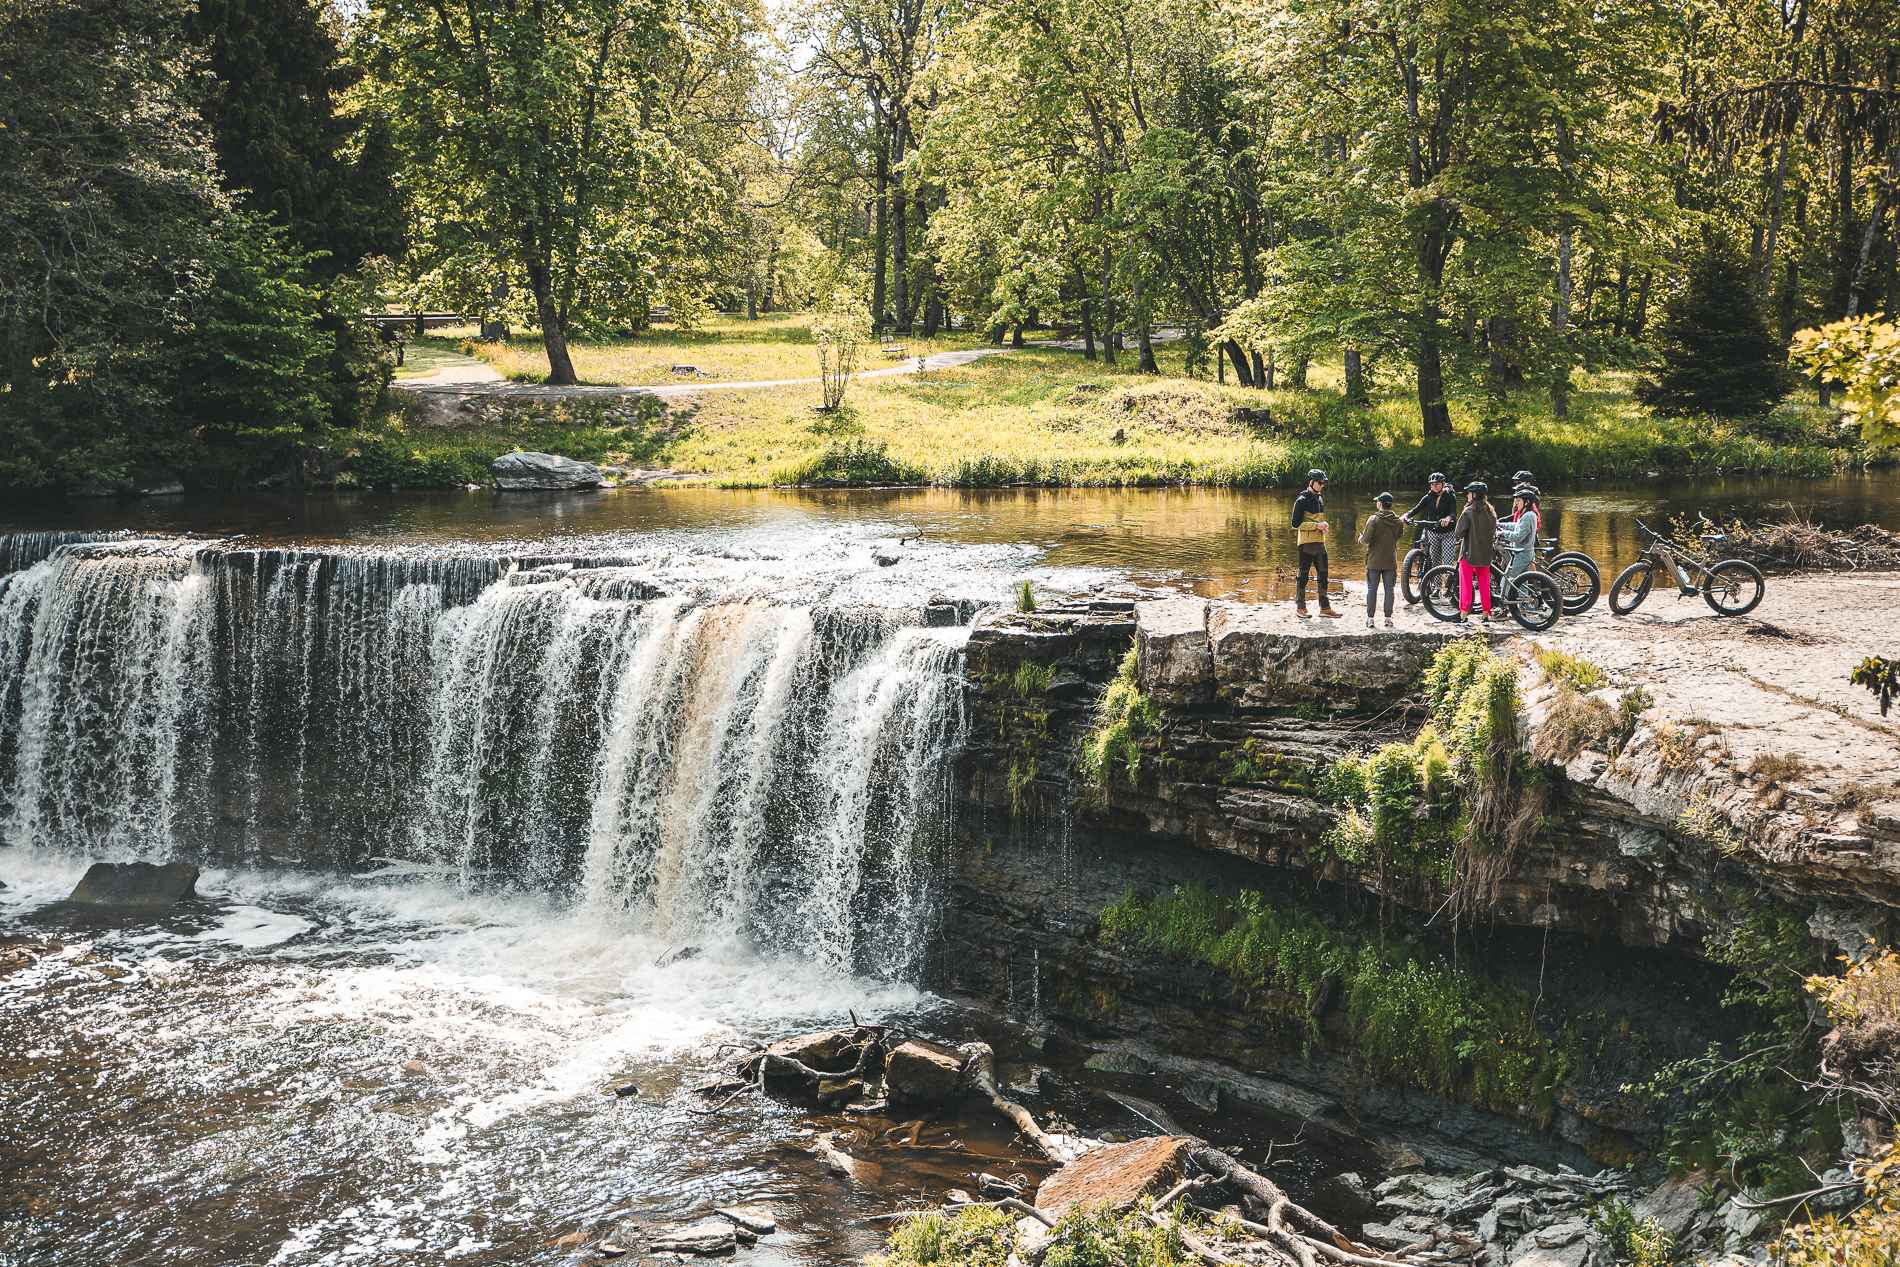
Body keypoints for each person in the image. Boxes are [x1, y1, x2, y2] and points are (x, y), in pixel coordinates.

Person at [1290, 469, 1340, 617]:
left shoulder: (1319, 499)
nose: (1322, 485)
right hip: (1306, 544)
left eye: (1323, 483)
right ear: (1311, 482)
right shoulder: (1301, 500)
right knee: (1303, 575)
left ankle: (1324, 608)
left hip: (1320, 543)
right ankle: (1300, 607)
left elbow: (1317, 521)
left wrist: (1324, 526)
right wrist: (1315, 526)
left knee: (1324, 575)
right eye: (1320, 483)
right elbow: (1295, 524)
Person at [1358, 492, 1406, 628]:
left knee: (1372, 588)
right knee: (1389, 589)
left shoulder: (1373, 519)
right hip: (1391, 561)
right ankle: (1387, 618)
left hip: (1374, 561)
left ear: (1380, 504)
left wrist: (1360, 539)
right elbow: (1400, 537)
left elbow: (1366, 539)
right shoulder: (1397, 521)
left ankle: (1370, 619)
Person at [1453, 481, 1499, 622]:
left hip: (1469, 554)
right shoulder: (1491, 512)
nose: (1467, 495)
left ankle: (1463, 616)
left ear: (1474, 494)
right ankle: (1485, 616)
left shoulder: (1468, 511)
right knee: (1485, 585)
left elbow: (1459, 532)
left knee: (1466, 585)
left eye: (1468, 493)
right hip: (1485, 555)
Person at [1405, 472, 1458, 571]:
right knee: (1435, 561)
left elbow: (1453, 513)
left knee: (1448, 561)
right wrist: (1406, 515)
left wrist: (1448, 518)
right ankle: (1436, 586)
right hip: (1433, 531)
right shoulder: (1429, 497)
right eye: (1433, 484)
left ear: (1443, 483)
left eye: (1437, 484)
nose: (1435, 487)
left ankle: (1449, 583)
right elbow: (1416, 509)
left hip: (1447, 532)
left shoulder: (1450, 496)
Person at [1500, 484, 1540, 585]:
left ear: (1526, 502)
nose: (1516, 503)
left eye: (1519, 500)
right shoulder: (1527, 514)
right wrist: (1500, 524)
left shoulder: (1528, 516)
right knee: (1522, 583)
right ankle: (1525, 601)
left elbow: (1518, 536)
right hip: (1526, 553)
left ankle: (1503, 599)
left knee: (1506, 581)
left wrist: (1503, 533)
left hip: (1522, 554)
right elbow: (1516, 526)